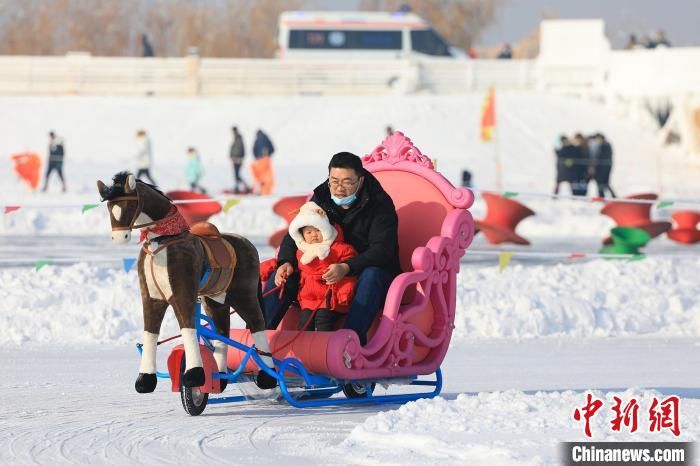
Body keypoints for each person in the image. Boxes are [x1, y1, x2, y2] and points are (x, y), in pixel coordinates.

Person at [263, 152, 400, 346]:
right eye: (334, 181)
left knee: (372, 275)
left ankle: (349, 343)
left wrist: (346, 267)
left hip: (367, 269)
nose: (339, 189)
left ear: (360, 180)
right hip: (323, 271)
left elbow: (383, 250)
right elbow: (294, 235)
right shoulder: (322, 197)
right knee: (283, 275)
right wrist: (286, 262)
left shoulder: (379, 204)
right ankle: (257, 337)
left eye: (347, 182)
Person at [287, 201, 357, 331]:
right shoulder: (301, 253)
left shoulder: (339, 249)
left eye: (317, 230)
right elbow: (291, 266)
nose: (313, 235)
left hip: (331, 299)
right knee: (304, 323)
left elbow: (350, 273)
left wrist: (344, 294)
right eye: (308, 232)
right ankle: (303, 349)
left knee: (323, 320)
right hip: (308, 299)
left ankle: (323, 348)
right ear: (302, 236)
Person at [590, 133, 616, 198]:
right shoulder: (603, 145)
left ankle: (611, 196)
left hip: (604, 169)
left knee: (604, 184)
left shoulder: (605, 145)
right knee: (601, 184)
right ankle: (602, 196)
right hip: (601, 169)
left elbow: (601, 157)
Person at [230, 126, 250, 193]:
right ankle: (238, 187)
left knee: (237, 175)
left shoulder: (238, 139)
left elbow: (241, 150)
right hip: (235, 159)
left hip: (237, 160)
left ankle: (245, 187)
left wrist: (239, 158)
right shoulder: (236, 138)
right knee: (236, 175)